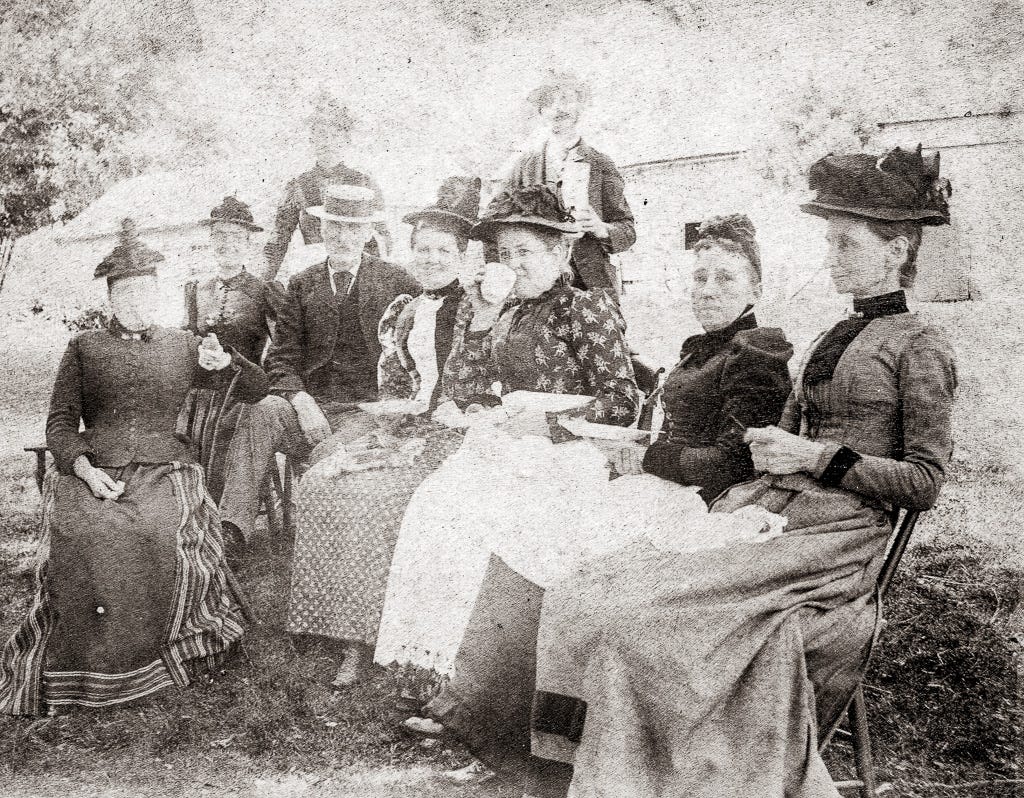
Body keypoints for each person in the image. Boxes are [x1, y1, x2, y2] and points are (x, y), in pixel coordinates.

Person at [527, 145, 958, 797]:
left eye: (845, 244)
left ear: (897, 250)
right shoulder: (833, 334)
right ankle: (605, 771)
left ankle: (658, 774)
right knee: (597, 590)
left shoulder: (920, 344)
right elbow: (782, 434)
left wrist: (815, 458)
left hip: (837, 542)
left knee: (650, 623)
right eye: (831, 243)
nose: (830, 257)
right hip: (773, 509)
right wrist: (762, 444)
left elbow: (925, 482)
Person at [402, 214, 795, 787]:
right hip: (659, 485)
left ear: (756, 289)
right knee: (522, 545)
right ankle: (498, 729)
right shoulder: (708, 347)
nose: (707, 291)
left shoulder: (757, 354)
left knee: (547, 557)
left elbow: (734, 461)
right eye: (700, 278)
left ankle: (526, 744)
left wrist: (645, 456)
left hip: (703, 504)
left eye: (725, 281)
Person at [373, 184, 643, 747]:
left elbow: (622, 400)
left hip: (571, 455)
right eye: (505, 253)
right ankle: (441, 670)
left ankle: (478, 692)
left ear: (559, 255)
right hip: (509, 448)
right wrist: (482, 317)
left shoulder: (586, 306)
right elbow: (463, 387)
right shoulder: (506, 311)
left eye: (526, 251)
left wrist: (547, 426)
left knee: (491, 527)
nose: (513, 263)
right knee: (436, 507)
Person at [0, 219, 267, 716]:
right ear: (110, 297)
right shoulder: (84, 347)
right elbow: (59, 422)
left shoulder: (185, 343)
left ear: (157, 295)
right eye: (124, 292)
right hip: (96, 467)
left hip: (165, 467)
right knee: (86, 530)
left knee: (152, 529)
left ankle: (153, 656)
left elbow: (256, 389)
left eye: (145, 291)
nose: (135, 302)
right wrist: (80, 468)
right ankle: (87, 665)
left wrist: (225, 360)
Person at [285, 176, 480, 688]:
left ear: (462, 256)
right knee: (325, 479)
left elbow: (486, 380)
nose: (432, 258)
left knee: (371, 499)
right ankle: (327, 621)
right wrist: (393, 413)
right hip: (405, 425)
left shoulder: (479, 307)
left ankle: (366, 636)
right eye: (424, 249)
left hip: (459, 435)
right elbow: (397, 380)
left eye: (443, 250)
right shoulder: (409, 306)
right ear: (410, 253)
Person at [217, 184, 419, 553]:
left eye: (353, 228)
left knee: (330, 456)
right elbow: (281, 357)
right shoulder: (302, 283)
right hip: (311, 404)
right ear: (321, 229)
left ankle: (321, 546)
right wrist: (300, 398)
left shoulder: (397, 280)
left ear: (368, 232)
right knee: (262, 412)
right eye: (335, 227)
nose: (343, 236)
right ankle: (232, 530)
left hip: (367, 411)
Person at [182, 196, 284, 504]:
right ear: (211, 241)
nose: (227, 243)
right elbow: (186, 339)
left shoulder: (264, 290)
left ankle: (225, 515)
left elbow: (281, 348)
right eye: (220, 236)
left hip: (243, 392)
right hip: (201, 394)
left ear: (250, 243)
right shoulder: (196, 289)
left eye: (236, 237)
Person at [499, 71, 635, 293]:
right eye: (549, 103)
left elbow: (627, 229)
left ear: (579, 106)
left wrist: (601, 228)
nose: (558, 108)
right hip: (537, 282)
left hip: (590, 282)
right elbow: (496, 222)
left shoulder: (600, 163)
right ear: (541, 112)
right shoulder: (524, 166)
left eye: (566, 99)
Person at [262, 91, 391, 280]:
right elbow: (278, 241)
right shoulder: (297, 187)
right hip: (314, 270)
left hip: (357, 271)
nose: (327, 142)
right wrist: (264, 283)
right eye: (321, 134)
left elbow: (382, 237)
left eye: (335, 135)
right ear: (311, 140)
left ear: (346, 140)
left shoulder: (365, 184)